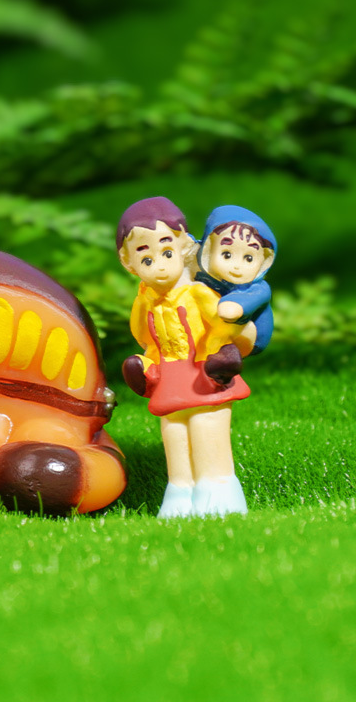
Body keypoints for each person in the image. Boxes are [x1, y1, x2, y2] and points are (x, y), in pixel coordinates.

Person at [116, 197, 252, 518]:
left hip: (204, 373)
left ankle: (217, 491)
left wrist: (225, 347)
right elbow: (145, 338)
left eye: (166, 253)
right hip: (170, 378)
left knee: (206, 427)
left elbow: (224, 325)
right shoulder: (145, 303)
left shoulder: (198, 293)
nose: (160, 266)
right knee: (174, 433)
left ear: (184, 247)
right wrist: (147, 366)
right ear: (129, 263)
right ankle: (180, 493)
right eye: (146, 259)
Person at [195, 205, 276, 356]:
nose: (237, 266)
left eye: (249, 258)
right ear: (208, 249)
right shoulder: (206, 278)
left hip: (247, 333)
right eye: (227, 255)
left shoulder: (259, 289)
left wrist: (234, 305)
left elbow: (232, 310)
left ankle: (224, 358)